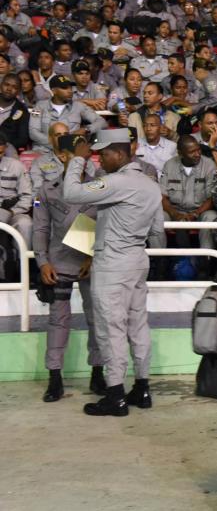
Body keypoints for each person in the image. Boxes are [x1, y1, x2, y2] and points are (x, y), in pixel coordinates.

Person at [62, 128, 166, 417]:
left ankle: (115, 394)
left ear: (119, 154)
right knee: (138, 325)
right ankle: (142, 388)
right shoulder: (150, 185)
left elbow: (71, 193)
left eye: (103, 154)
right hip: (137, 259)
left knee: (111, 329)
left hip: (112, 264)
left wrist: (78, 159)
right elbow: (157, 231)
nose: (100, 160)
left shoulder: (117, 181)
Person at [34, 134, 105, 403]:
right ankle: (55, 378)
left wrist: (93, 257)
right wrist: (43, 261)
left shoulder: (98, 186)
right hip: (59, 262)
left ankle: (97, 372)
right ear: (63, 155)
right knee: (58, 321)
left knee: (96, 318)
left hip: (91, 262)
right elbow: (40, 227)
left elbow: (105, 224)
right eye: (78, 151)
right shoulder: (45, 190)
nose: (85, 155)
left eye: (86, 151)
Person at [160, 135, 217, 255]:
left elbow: (212, 198)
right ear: (181, 154)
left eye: (198, 149)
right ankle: (160, 259)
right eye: (192, 152)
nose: (197, 154)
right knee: (158, 217)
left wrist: (194, 214)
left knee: (211, 217)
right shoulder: (169, 165)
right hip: (174, 210)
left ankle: (205, 261)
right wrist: (174, 214)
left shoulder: (209, 165)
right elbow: (162, 196)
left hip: (200, 211)